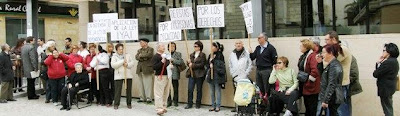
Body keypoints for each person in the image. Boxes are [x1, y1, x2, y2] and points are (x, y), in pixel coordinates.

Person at [324, 31, 352, 115]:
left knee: (340, 110)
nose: (325, 42)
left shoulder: (342, 49)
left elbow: (330, 63)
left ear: (333, 39)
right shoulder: (334, 49)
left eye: (327, 39)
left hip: (341, 84)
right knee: (333, 110)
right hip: (333, 84)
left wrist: (324, 60)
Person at [317, 44, 344, 116]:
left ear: (330, 53)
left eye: (323, 52)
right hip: (331, 97)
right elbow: (323, 77)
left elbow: (332, 84)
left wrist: (326, 100)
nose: (322, 55)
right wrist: (319, 63)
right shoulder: (331, 65)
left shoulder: (334, 66)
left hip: (333, 97)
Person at [373, 43, 399, 116]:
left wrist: (378, 63)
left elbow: (376, 74)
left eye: (384, 50)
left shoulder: (388, 62)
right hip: (389, 88)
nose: (382, 52)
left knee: (387, 109)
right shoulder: (394, 61)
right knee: (388, 107)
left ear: (389, 52)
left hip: (386, 89)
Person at [249, 32, 278, 98]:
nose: (258, 39)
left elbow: (274, 59)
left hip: (266, 69)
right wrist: (250, 53)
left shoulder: (271, 48)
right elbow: (253, 57)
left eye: (259, 38)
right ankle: (261, 101)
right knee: (259, 86)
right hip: (258, 69)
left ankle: (268, 100)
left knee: (267, 86)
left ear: (264, 38)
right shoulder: (258, 48)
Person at [298, 39, 320, 116]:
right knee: (307, 107)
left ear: (306, 47)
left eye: (301, 46)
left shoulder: (312, 56)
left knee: (312, 108)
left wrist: (308, 81)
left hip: (311, 87)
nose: (300, 47)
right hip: (305, 86)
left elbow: (315, 71)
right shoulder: (303, 56)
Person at [228, 40, 252, 112]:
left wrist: (246, 73)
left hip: (244, 77)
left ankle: (244, 108)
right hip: (235, 76)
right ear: (235, 45)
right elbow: (230, 64)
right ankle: (237, 107)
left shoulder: (246, 53)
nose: (238, 45)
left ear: (242, 44)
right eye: (237, 43)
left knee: (244, 93)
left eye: (239, 43)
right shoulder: (232, 54)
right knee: (236, 92)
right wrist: (232, 73)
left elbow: (250, 64)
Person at [111, 43, 134, 110]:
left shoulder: (127, 55)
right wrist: (122, 61)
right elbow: (113, 65)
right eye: (119, 49)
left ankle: (129, 103)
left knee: (129, 90)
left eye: (122, 49)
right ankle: (116, 103)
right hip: (118, 75)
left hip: (128, 75)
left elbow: (132, 63)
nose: (121, 50)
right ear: (116, 50)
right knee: (117, 90)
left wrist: (127, 64)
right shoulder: (114, 56)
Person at [185, 41, 207, 109]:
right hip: (192, 74)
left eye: (196, 46)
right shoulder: (191, 54)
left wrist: (193, 65)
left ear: (199, 47)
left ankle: (198, 103)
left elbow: (202, 64)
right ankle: (189, 103)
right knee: (190, 89)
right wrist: (188, 62)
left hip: (200, 74)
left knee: (199, 89)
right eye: (194, 46)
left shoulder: (203, 55)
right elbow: (189, 65)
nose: (194, 47)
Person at [206, 42, 226, 112]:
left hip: (218, 76)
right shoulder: (210, 55)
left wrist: (213, 63)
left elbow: (220, 65)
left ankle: (218, 105)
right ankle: (212, 105)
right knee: (212, 92)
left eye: (213, 46)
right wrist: (209, 65)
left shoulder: (220, 55)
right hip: (211, 76)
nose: (211, 48)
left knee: (217, 91)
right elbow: (207, 65)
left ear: (216, 47)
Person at [152, 43, 170, 115]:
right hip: (160, 76)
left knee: (166, 92)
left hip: (167, 76)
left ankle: (164, 106)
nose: (164, 47)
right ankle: (159, 108)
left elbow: (168, 64)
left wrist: (170, 66)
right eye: (162, 46)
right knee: (159, 93)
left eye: (163, 46)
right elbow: (154, 67)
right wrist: (161, 62)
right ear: (158, 48)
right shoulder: (155, 57)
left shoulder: (166, 56)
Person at [135, 38, 154, 103]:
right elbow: (136, 57)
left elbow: (149, 55)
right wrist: (143, 57)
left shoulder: (150, 49)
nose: (140, 43)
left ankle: (149, 98)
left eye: (141, 42)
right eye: (140, 42)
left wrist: (141, 56)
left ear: (146, 43)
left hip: (147, 69)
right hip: (140, 69)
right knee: (141, 84)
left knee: (148, 84)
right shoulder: (139, 50)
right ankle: (141, 97)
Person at [166, 42, 184, 107]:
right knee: (168, 89)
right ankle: (169, 101)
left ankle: (175, 101)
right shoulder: (166, 54)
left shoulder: (178, 54)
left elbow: (180, 62)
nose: (172, 47)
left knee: (175, 88)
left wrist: (173, 60)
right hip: (168, 73)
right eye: (170, 46)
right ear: (168, 47)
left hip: (175, 73)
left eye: (173, 46)